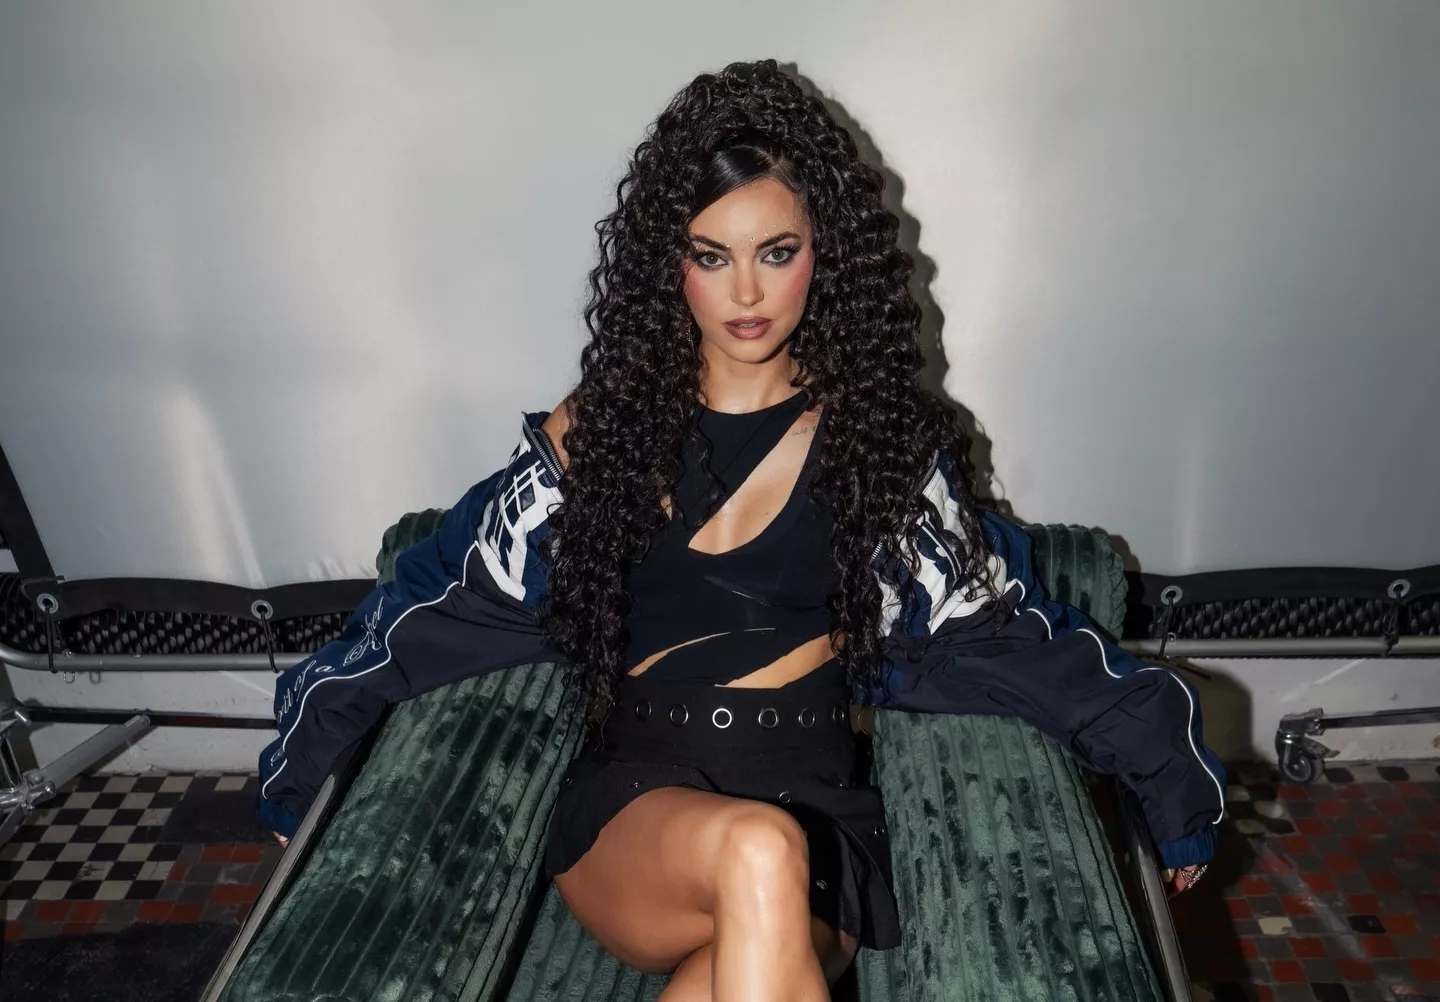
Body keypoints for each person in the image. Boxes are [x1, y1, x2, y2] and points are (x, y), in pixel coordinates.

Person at [256, 59, 1224, 1001]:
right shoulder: (603, 432)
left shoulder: (877, 444)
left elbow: (1000, 630)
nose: (748, 294)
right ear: (669, 265)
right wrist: (306, 763)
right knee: (757, 851)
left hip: (823, 821)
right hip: (638, 812)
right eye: (712, 256)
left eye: (777, 252)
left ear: (825, 253)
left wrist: (1166, 770)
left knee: (752, 918)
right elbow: (441, 597)